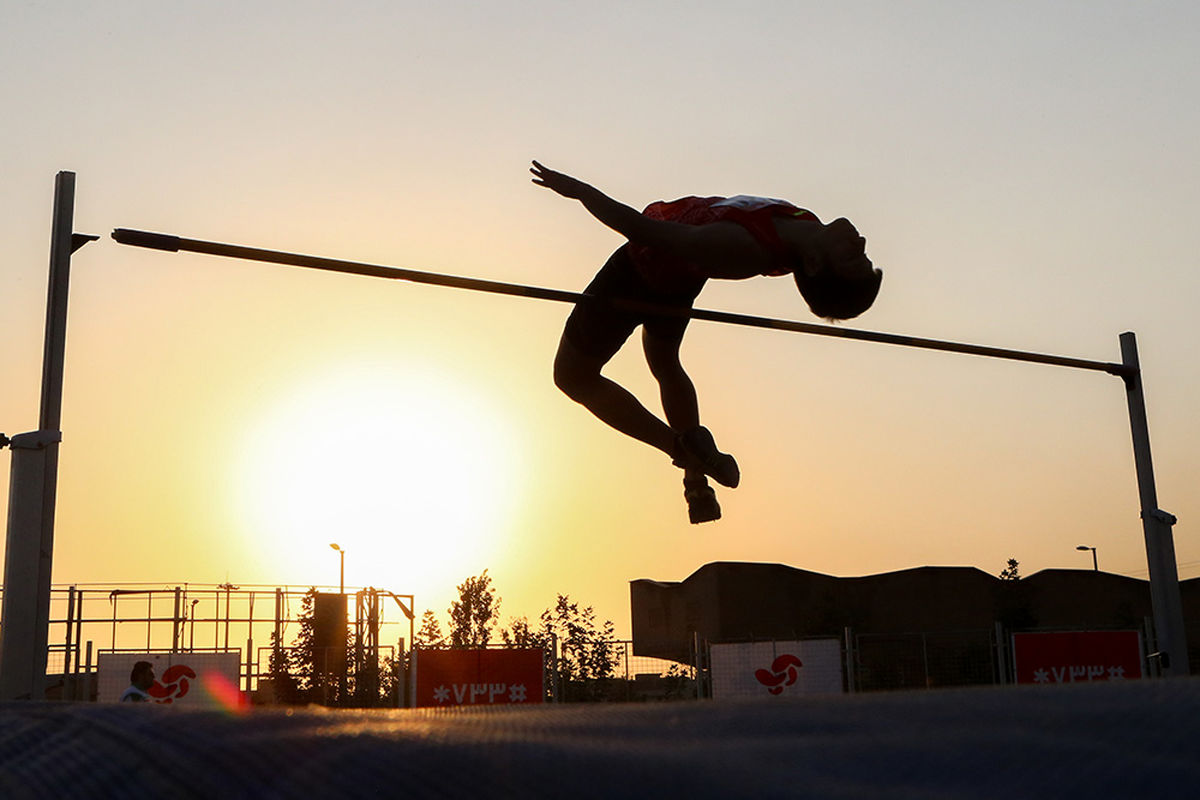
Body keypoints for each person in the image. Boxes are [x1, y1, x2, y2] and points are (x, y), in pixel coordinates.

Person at [532, 160, 882, 524]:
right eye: (862, 253)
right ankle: (696, 483)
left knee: (573, 377)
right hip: (674, 283)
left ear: (812, 263)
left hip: (636, 273)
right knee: (665, 363)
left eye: (852, 256)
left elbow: (642, 231)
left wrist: (578, 191)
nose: (861, 240)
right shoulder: (806, 227)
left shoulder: (742, 248)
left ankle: (681, 449)